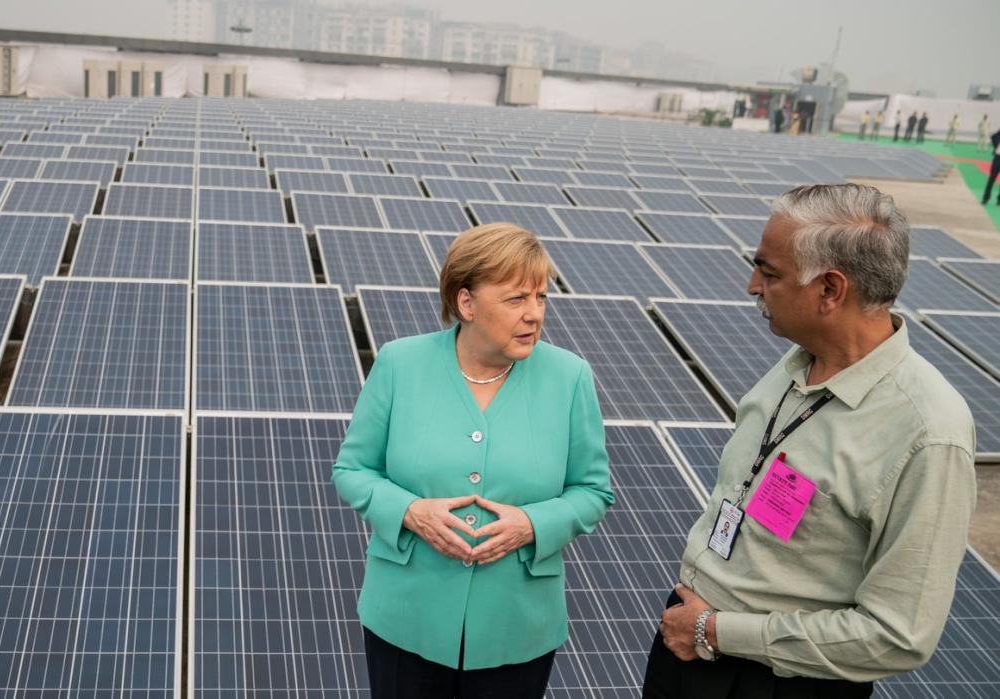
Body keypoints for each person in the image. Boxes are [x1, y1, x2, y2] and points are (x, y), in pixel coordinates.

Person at [642, 183, 976, 699]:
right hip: (688, 641)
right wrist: (699, 626)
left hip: (775, 680)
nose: (753, 285)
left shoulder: (928, 432)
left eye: (770, 273)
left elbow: (898, 635)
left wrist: (717, 631)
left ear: (830, 291)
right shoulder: (798, 362)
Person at [333, 223, 616, 699]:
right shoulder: (400, 364)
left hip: (517, 627)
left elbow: (593, 491)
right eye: (515, 299)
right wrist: (410, 513)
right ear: (466, 302)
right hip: (406, 619)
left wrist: (531, 524)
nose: (534, 315)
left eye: (541, 298)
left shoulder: (569, 378)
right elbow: (353, 471)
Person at [981, 128, 1000, 205]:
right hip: (998, 157)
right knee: (991, 178)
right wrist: (996, 146)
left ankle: (999, 199)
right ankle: (986, 198)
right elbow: (993, 136)